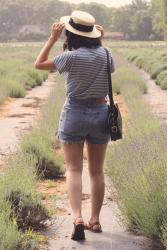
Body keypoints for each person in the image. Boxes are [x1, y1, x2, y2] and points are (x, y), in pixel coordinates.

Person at [34, 10, 115, 241]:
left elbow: (38, 64)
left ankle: (78, 217)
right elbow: (108, 67)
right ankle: (95, 220)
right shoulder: (106, 53)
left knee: (73, 169)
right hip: (101, 113)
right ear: (92, 33)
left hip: (74, 113)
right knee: (97, 171)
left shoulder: (70, 57)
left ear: (70, 34)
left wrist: (52, 38)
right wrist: (101, 41)